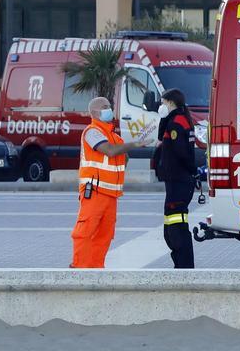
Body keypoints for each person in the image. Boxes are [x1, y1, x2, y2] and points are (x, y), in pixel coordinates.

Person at [71, 97, 150, 269]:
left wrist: (127, 148)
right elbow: (109, 151)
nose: (109, 110)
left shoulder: (114, 136)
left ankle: (96, 268)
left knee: (105, 235)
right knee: (85, 231)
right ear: (94, 113)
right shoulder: (92, 132)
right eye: (105, 107)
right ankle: (79, 268)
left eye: (109, 106)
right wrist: (135, 143)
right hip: (95, 190)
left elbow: (123, 158)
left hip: (111, 194)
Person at [157, 88, 197, 269]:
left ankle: (184, 267)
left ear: (171, 103)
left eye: (163, 103)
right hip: (176, 180)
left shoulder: (177, 123)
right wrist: (164, 118)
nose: (161, 106)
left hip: (179, 180)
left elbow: (182, 152)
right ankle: (181, 264)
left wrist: (192, 171)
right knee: (171, 226)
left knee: (176, 225)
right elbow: (160, 138)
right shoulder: (175, 120)